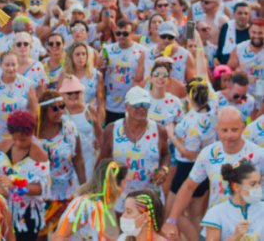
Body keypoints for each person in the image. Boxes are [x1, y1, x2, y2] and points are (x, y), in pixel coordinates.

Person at [163, 106, 264, 240]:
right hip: (215, 229)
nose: (229, 135)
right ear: (217, 130)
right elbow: (188, 186)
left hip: (250, 231)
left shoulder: (258, 155)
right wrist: (171, 220)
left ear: (243, 127)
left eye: (234, 129)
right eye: (224, 130)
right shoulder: (209, 154)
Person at [97, 86, 170, 219]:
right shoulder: (112, 129)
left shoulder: (159, 130)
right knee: (126, 235)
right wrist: (100, 190)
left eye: (145, 105)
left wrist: (164, 169)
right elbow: (102, 161)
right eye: (136, 104)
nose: (141, 108)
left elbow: (165, 154)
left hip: (150, 195)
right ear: (126, 106)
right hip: (123, 196)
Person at [165, 79, 217, 241]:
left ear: (189, 96)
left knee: (172, 213)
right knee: (196, 212)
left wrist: (171, 135)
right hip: (206, 165)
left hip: (188, 168)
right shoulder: (213, 109)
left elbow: (189, 154)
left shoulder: (193, 121)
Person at [0, 111, 50, 240]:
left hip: (26, 214)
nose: (18, 143)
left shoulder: (39, 154)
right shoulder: (4, 145)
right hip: (2, 207)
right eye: (14, 138)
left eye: (23, 139)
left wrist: (15, 186)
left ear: (31, 133)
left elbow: (40, 189)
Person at [37, 90, 86, 237]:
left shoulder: (69, 128)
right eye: (55, 108)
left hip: (66, 192)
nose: (60, 111)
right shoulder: (34, 133)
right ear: (44, 111)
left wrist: (84, 189)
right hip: (41, 194)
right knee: (40, 234)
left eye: (62, 106)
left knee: (64, 234)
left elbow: (78, 159)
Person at [0, 51, 38, 157]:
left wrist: (31, 134)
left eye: (13, 65)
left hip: (21, 137)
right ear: (1, 66)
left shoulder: (27, 84)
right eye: (7, 65)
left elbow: (33, 112)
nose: (11, 68)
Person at [53, 159, 127, 240]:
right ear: (115, 184)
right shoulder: (87, 206)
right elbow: (59, 236)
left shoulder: (96, 204)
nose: (125, 186)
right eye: (125, 181)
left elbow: (94, 233)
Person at [201, 162, 264, 240]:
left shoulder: (262, 209)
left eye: (259, 183)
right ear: (236, 186)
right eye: (253, 184)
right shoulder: (216, 213)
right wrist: (235, 236)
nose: (258, 188)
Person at [101, 19, 146, 124]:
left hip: (132, 104)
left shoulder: (142, 51)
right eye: (118, 33)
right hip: (111, 104)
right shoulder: (107, 50)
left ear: (132, 33)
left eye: (125, 33)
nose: (121, 36)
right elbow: (100, 75)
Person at [59, 75, 102, 181]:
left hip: (88, 158)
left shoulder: (89, 109)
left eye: (77, 92)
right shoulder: (58, 113)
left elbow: (100, 134)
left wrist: (98, 142)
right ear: (63, 95)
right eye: (69, 93)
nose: (73, 95)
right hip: (67, 162)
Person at [61, 41, 105, 123]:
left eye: (84, 54)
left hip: (90, 116)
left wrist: (100, 122)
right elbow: (60, 99)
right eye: (77, 54)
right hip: (70, 117)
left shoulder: (96, 75)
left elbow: (101, 101)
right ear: (71, 57)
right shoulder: (64, 74)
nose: (81, 57)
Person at [228, 18, 264, 97]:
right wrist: (237, 74)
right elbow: (229, 71)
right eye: (254, 32)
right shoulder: (239, 49)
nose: (257, 36)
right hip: (245, 96)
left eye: (260, 33)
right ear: (249, 32)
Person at [11, 31, 48, 97]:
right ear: (13, 47)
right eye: (19, 44)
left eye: (25, 44)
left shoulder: (38, 66)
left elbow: (41, 90)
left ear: (30, 47)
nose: (22, 46)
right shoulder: (6, 65)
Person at [147, 61, 183, 127]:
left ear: (168, 80)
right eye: (156, 74)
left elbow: (181, 127)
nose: (160, 77)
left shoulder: (175, 102)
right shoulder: (142, 98)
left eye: (164, 75)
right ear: (150, 78)